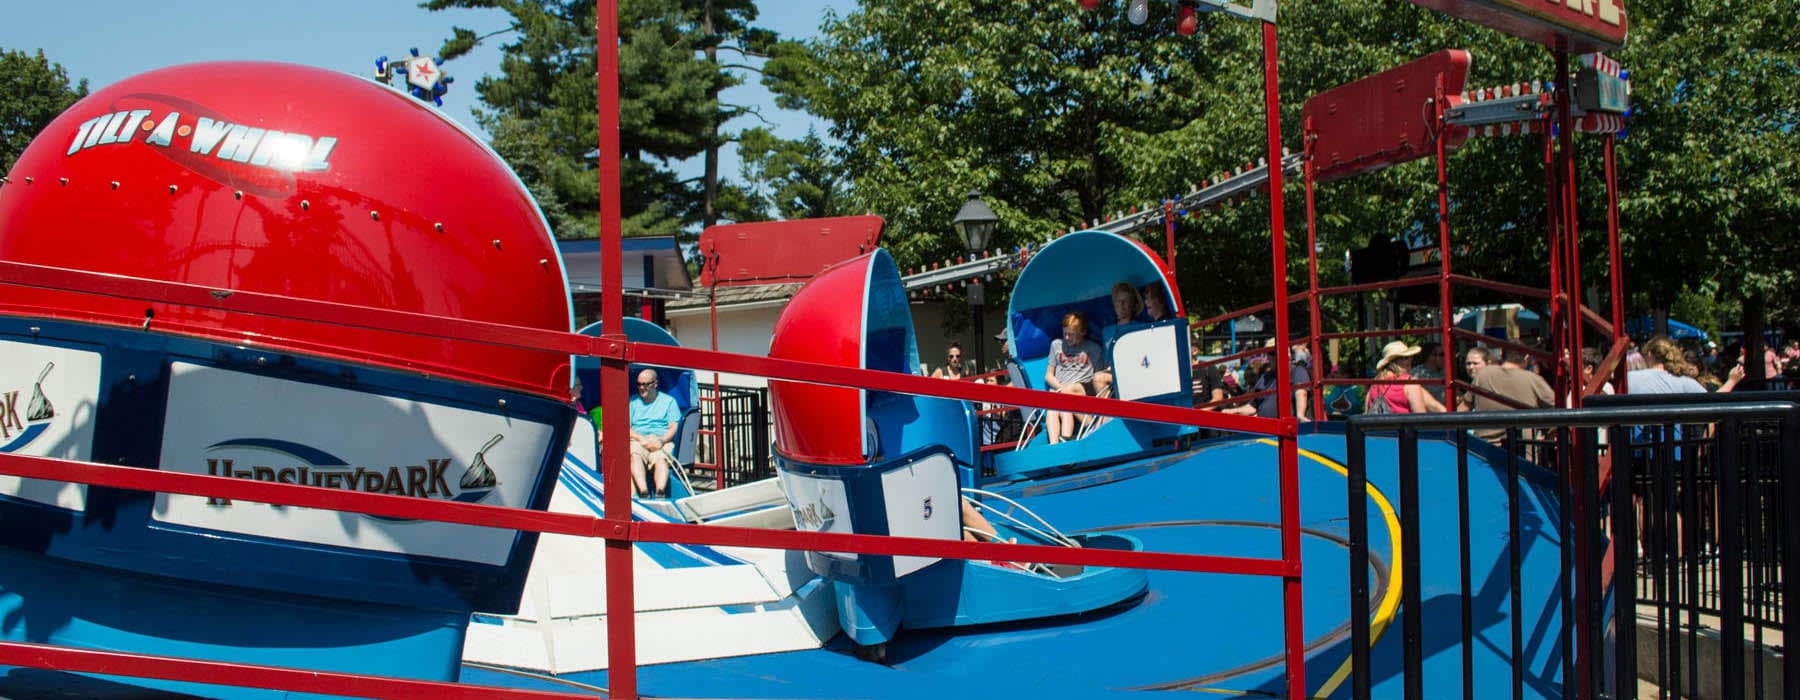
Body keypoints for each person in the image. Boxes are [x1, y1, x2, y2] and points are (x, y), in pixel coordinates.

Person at [1464, 347, 1555, 445]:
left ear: (1501, 355)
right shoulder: (1534, 380)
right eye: (1468, 363)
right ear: (1526, 357)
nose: (1471, 366)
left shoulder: (1482, 375)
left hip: (1484, 450)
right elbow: (1559, 410)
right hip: (1522, 452)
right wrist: (1548, 435)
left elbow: (1462, 411)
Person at [1044, 311, 1107, 444]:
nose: (1067, 337)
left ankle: (1089, 427)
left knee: (1067, 393)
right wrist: (1061, 388)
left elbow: (1099, 376)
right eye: (1065, 333)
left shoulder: (1093, 349)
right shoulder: (1056, 345)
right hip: (1062, 388)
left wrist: (1065, 391)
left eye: (1071, 334)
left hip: (1083, 387)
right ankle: (1055, 444)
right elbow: (1049, 375)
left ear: (1082, 332)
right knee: (1053, 404)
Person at [628, 368, 681, 497]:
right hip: (639, 438)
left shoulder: (669, 402)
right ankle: (643, 491)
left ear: (655, 384)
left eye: (645, 384)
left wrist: (661, 440)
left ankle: (660, 492)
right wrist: (641, 439)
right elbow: (625, 427)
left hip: (661, 438)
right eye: (639, 384)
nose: (642, 388)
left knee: (661, 459)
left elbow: (674, 426)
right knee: (635, 455)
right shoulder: (632, 402)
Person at [1366, 341, 1447, 414]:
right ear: (1394, 361)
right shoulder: (1410, 383)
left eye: (1410, 356)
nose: (1410, 359)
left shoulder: (1375, 383)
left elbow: (1366, 412)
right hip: (1403, 430)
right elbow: (1420, 418)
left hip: (1376, 429)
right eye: (1405, 357)